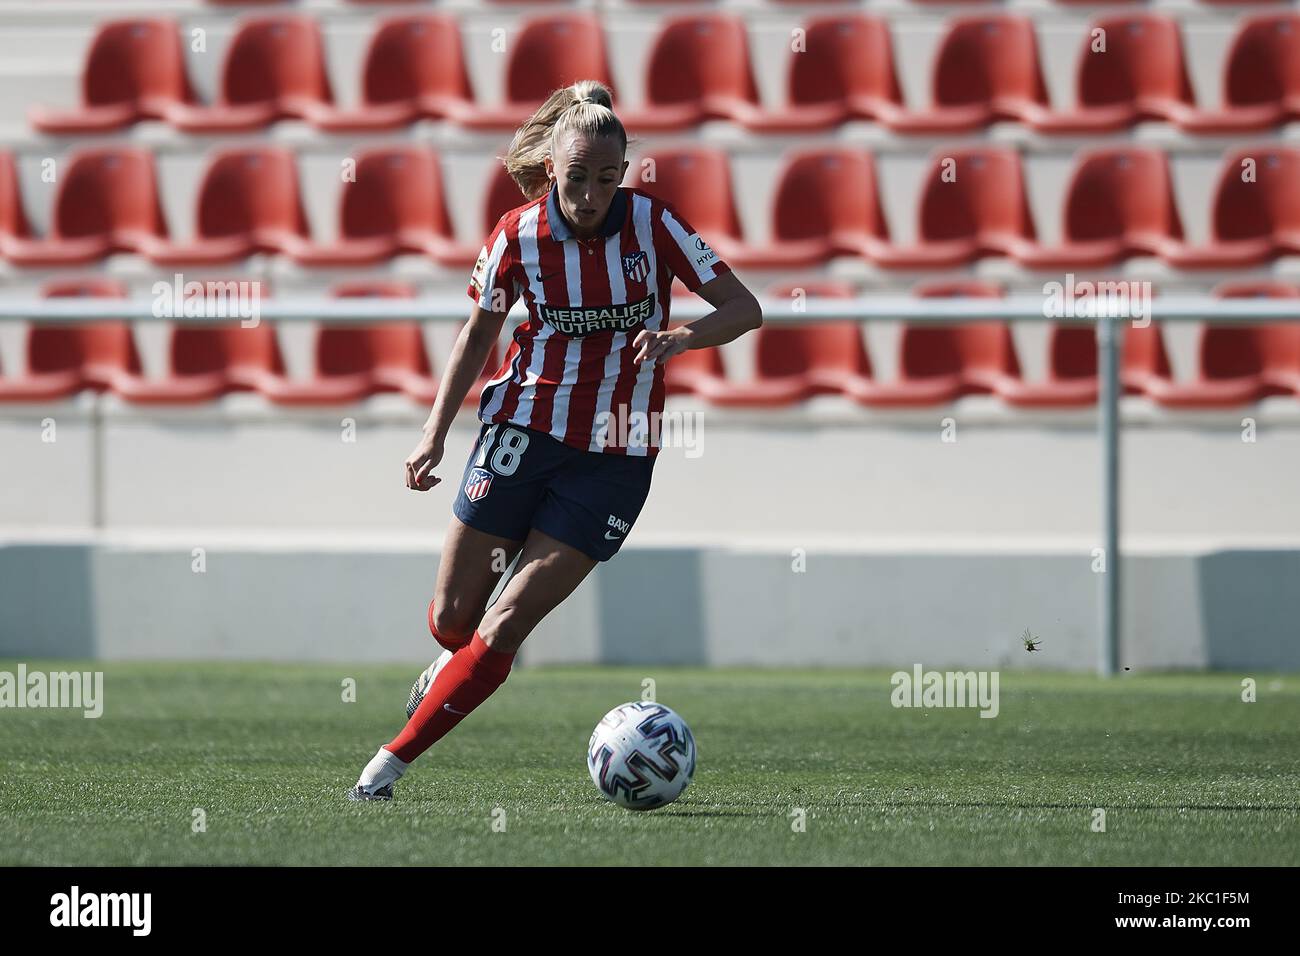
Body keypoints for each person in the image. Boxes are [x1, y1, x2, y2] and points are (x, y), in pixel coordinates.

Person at [349, 79, 762, 800]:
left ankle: (385, 768)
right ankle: (449, 667)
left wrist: (680, 338)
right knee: (454, 622)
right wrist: (435, 431)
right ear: (550, 170)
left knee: (506, 622)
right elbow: (479, 331)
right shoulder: (517, 235)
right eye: (578, 177)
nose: (594, 192)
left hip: (616, 453)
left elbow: (745, 308)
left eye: (609, 177)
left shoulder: (654, 225)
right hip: (522, 429)